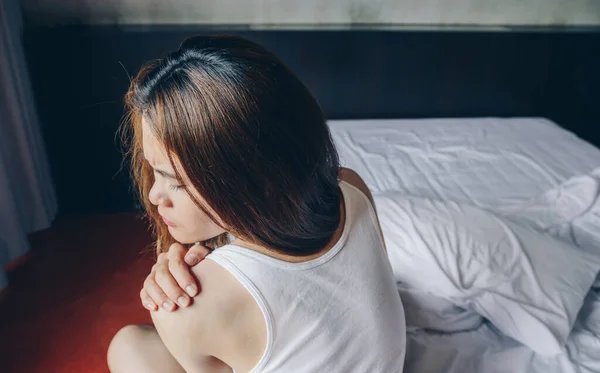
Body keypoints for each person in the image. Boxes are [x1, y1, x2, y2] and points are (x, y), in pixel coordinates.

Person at [107, 35, 406, 373]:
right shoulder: (351, 188)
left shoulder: (191, 308)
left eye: (175, 181)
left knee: (129, 348)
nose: (153, 196)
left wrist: (196, 280)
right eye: (154, 172)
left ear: (251, 176)